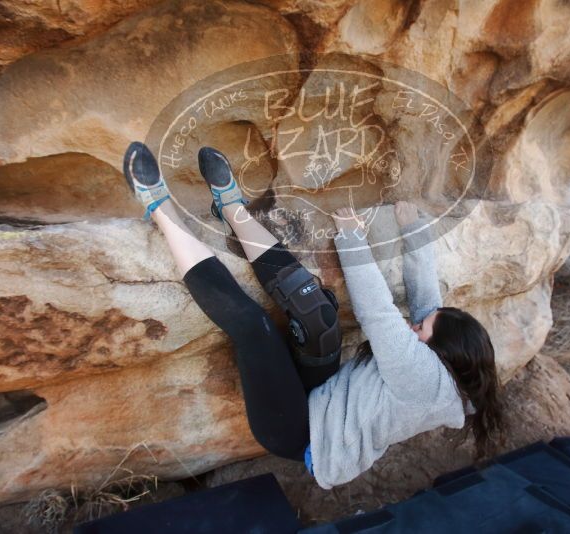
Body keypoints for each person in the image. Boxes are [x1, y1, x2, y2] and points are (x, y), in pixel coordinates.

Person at [123, 142, 503, 490]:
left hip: (301, 432)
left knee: (255, 328)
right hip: (326, 397)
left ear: (439, 354)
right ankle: (231, 208)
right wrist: (414, 231)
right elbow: (428, 307)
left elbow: (377, 313)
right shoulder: (443, 363)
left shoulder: (424, 382)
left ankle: (159, 206)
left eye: (420, 330)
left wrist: (352, 237)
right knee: (317, 314)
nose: (414, 324)